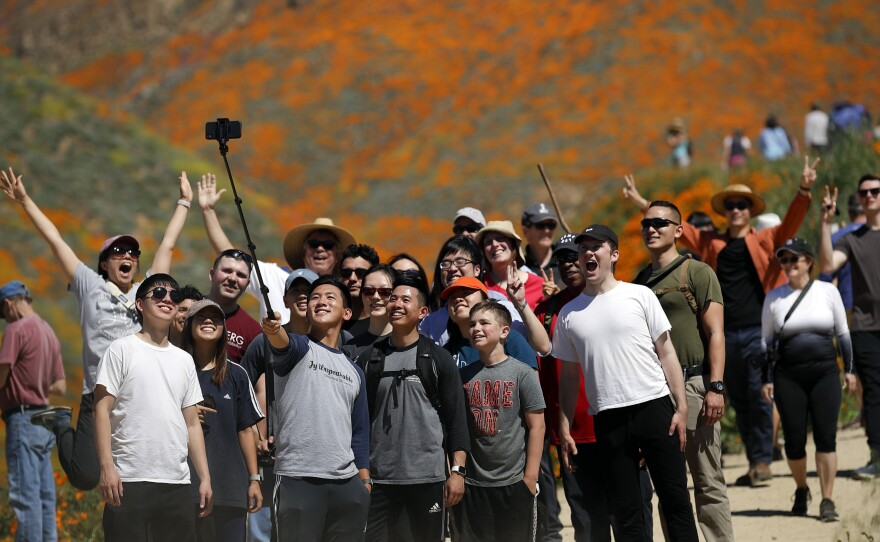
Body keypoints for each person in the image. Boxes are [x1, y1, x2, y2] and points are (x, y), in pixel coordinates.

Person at [623, 158, 818, 487]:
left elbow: (791, 224)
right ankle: (756, 459)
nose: (736, 210)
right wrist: (644, 204)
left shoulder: (766, 239)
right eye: (731, 205)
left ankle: (761, 460)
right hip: (723, 333)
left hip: (757, 328)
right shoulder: (713, 243)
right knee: (737, 397)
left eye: (742, 205)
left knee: (758, 395)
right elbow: (680, 230)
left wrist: (804, 190)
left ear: (750, 210)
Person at [1, 166, 191, 490]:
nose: (128, 256)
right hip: (98, 394)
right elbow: (54, 240)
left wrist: (184, 203)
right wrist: (25, 200)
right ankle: (61, 424)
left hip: (137, 395)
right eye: (119, 252)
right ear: (105, 263)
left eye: (133, 252)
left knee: (131, 477)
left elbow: (167, 248)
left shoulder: (147, 292)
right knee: (86, 475)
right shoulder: (90, 285)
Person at [556, 224, 698, 541]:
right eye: (583, 249)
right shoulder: (568, 314)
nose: (588, 253)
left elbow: (667, 352)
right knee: (626, 511)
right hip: (608, 417)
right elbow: (567, 377)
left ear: (614, 254)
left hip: (655, 407)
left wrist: (682, 406)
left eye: (597, 247)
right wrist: (564, 424)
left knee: (676, 502)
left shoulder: (639, 295)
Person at [633, 202, 734, 540]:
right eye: (646, 223)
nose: (651, 228)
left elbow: (716, 332)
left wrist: (715, 386)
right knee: (670, 486)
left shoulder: (696, 272)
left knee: (707, 480)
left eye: (660, 222)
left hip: (694, 383)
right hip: (655, 393)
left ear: (678, 230)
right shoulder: (639, 284)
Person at [93, 274, 213, 540]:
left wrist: (204, 477)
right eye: (159, 294)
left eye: (174, 296)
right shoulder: (120, 349)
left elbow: (192, 423)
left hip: (177, 484)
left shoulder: (184, 360)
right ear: (139, 304)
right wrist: (106, 467)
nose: (168, 299)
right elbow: (101, 410)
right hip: (129, 481)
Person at [356, 274, 469, 542]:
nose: (396, 304)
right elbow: (358, 422)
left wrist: (457, 472)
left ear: (422, 312)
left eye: (405, 300)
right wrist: (363, 475)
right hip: (380, 480)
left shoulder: (437, 358)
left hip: (428, 479)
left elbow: (457, 419)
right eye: (392, 298)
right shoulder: (370, 359)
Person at [260, 276, 371, 540]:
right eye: (314, 298)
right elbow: (280, 340)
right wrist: (273, 329)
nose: (320, 301)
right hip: (298, 480)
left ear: (347, 312)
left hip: (348, 486)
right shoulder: (298, 347)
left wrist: (364, 483)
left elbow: (360, 433)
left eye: (330, 297)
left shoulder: (355, 371)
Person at [760, 238, 856, 521]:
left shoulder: (827, 291)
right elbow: (765, 342)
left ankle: (827, 499)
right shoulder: (773, 297)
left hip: (825, 373)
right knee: (794, 441)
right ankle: (802, 488)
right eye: (784, 260)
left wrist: (849, 370)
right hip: (788, 376)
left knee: (827, 438)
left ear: (809, 262)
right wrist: (767, 379)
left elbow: (843, 333)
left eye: (795, 259)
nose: (789, 264)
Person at [533, 235, 612, 542]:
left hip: (614, 422)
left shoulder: (614, 298)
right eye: (561, 259)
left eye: (573, 256)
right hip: (572, 432)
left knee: (626, 509)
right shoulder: (547, 311)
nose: (567, 264)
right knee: (584, 517)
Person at [198, 173, 355, 325]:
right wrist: (208, 211)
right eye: (314, 244)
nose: (320, 249)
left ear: (337, 253)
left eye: (328, 245)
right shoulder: (275, 277)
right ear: (304, 249)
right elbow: (232, 258)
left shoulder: (344, 292)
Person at [454, 300, 545, 542]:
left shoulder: (522, 372)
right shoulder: (462, 376)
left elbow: (537, 426)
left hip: (514, 482)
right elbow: (456, 428)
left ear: (505, 331)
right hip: (474, 484)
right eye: (472, 324)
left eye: (484, 322)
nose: (476, 328)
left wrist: (530, 478)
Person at [240, 268, 318, 542]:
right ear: (284, 300)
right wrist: (257, 434)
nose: (302, 297)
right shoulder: (264, 342)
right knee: (262, 533)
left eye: (309, 292)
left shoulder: (332, 343)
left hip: (316, 460)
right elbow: (243, 389)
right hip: (272, 458)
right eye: (295, 291)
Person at [181, 298, 265, 541]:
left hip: (230, 485)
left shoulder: (237, 374)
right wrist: (182, 414)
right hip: (185, 484)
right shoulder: (175, 369)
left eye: (216, 318)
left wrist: (253, 480)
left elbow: (247, 430)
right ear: (189, 325)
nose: (209, 321)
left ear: (224, 330)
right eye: (201, 317)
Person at [818, 175, 880, 479]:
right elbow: (828, 265)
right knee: (874, 394)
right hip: (866, 326)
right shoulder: (852, 239)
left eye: (875, 191)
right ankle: (877, 457)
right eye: (864, 192)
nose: (869, 196)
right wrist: (826, 223)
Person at [1, 280, 66, 541]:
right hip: (44, 419)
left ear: (8, 304)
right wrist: (35, 381)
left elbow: (2, 372)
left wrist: (19, 383)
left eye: (3, 313)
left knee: (25, 498)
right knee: (44, 498)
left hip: (23, 418)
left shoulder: (16, 329)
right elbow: (60, 386)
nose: (5, 319)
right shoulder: (48, 331)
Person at [422, 235, 550, 355]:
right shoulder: (430, 322)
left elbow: (543, 347)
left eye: (460, 261)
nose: (452, 268)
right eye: (445, 263)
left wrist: (521, 303)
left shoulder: (502, 307)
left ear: (477, 269)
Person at [442, 277, 545, 369]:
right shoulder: (445, 353)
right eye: (452, 298)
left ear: (486, 302)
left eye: (466, 293)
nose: (458, 299)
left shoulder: (510, 339)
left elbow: (530, 386)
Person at [207, 249, 263, 363]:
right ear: (212, 274)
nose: (233, 278)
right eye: (227, 271)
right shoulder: (187, 309)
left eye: (241, 275)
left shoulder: (254, 332)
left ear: (247, 284)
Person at [476, 221, 546, 310]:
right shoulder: (478, 286)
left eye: (500, 238)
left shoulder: (540, 285)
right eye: (488, 242)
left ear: (513, 245)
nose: (494, 244)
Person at [344, 265, 396, 355]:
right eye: (369, 291)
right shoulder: (349, 349)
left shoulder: (413, 341)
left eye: (384, 291)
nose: (375, 297)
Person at [521, 202, 562, 296]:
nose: (547, 230)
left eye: (551, 225)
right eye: (540, 225)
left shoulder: (567, 263)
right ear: (525, 231)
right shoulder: (520, 269)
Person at [341, 244, 381, 336]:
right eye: (346, 273)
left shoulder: (387, 323)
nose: (352, 278)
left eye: (360, 273)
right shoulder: (331, 322)